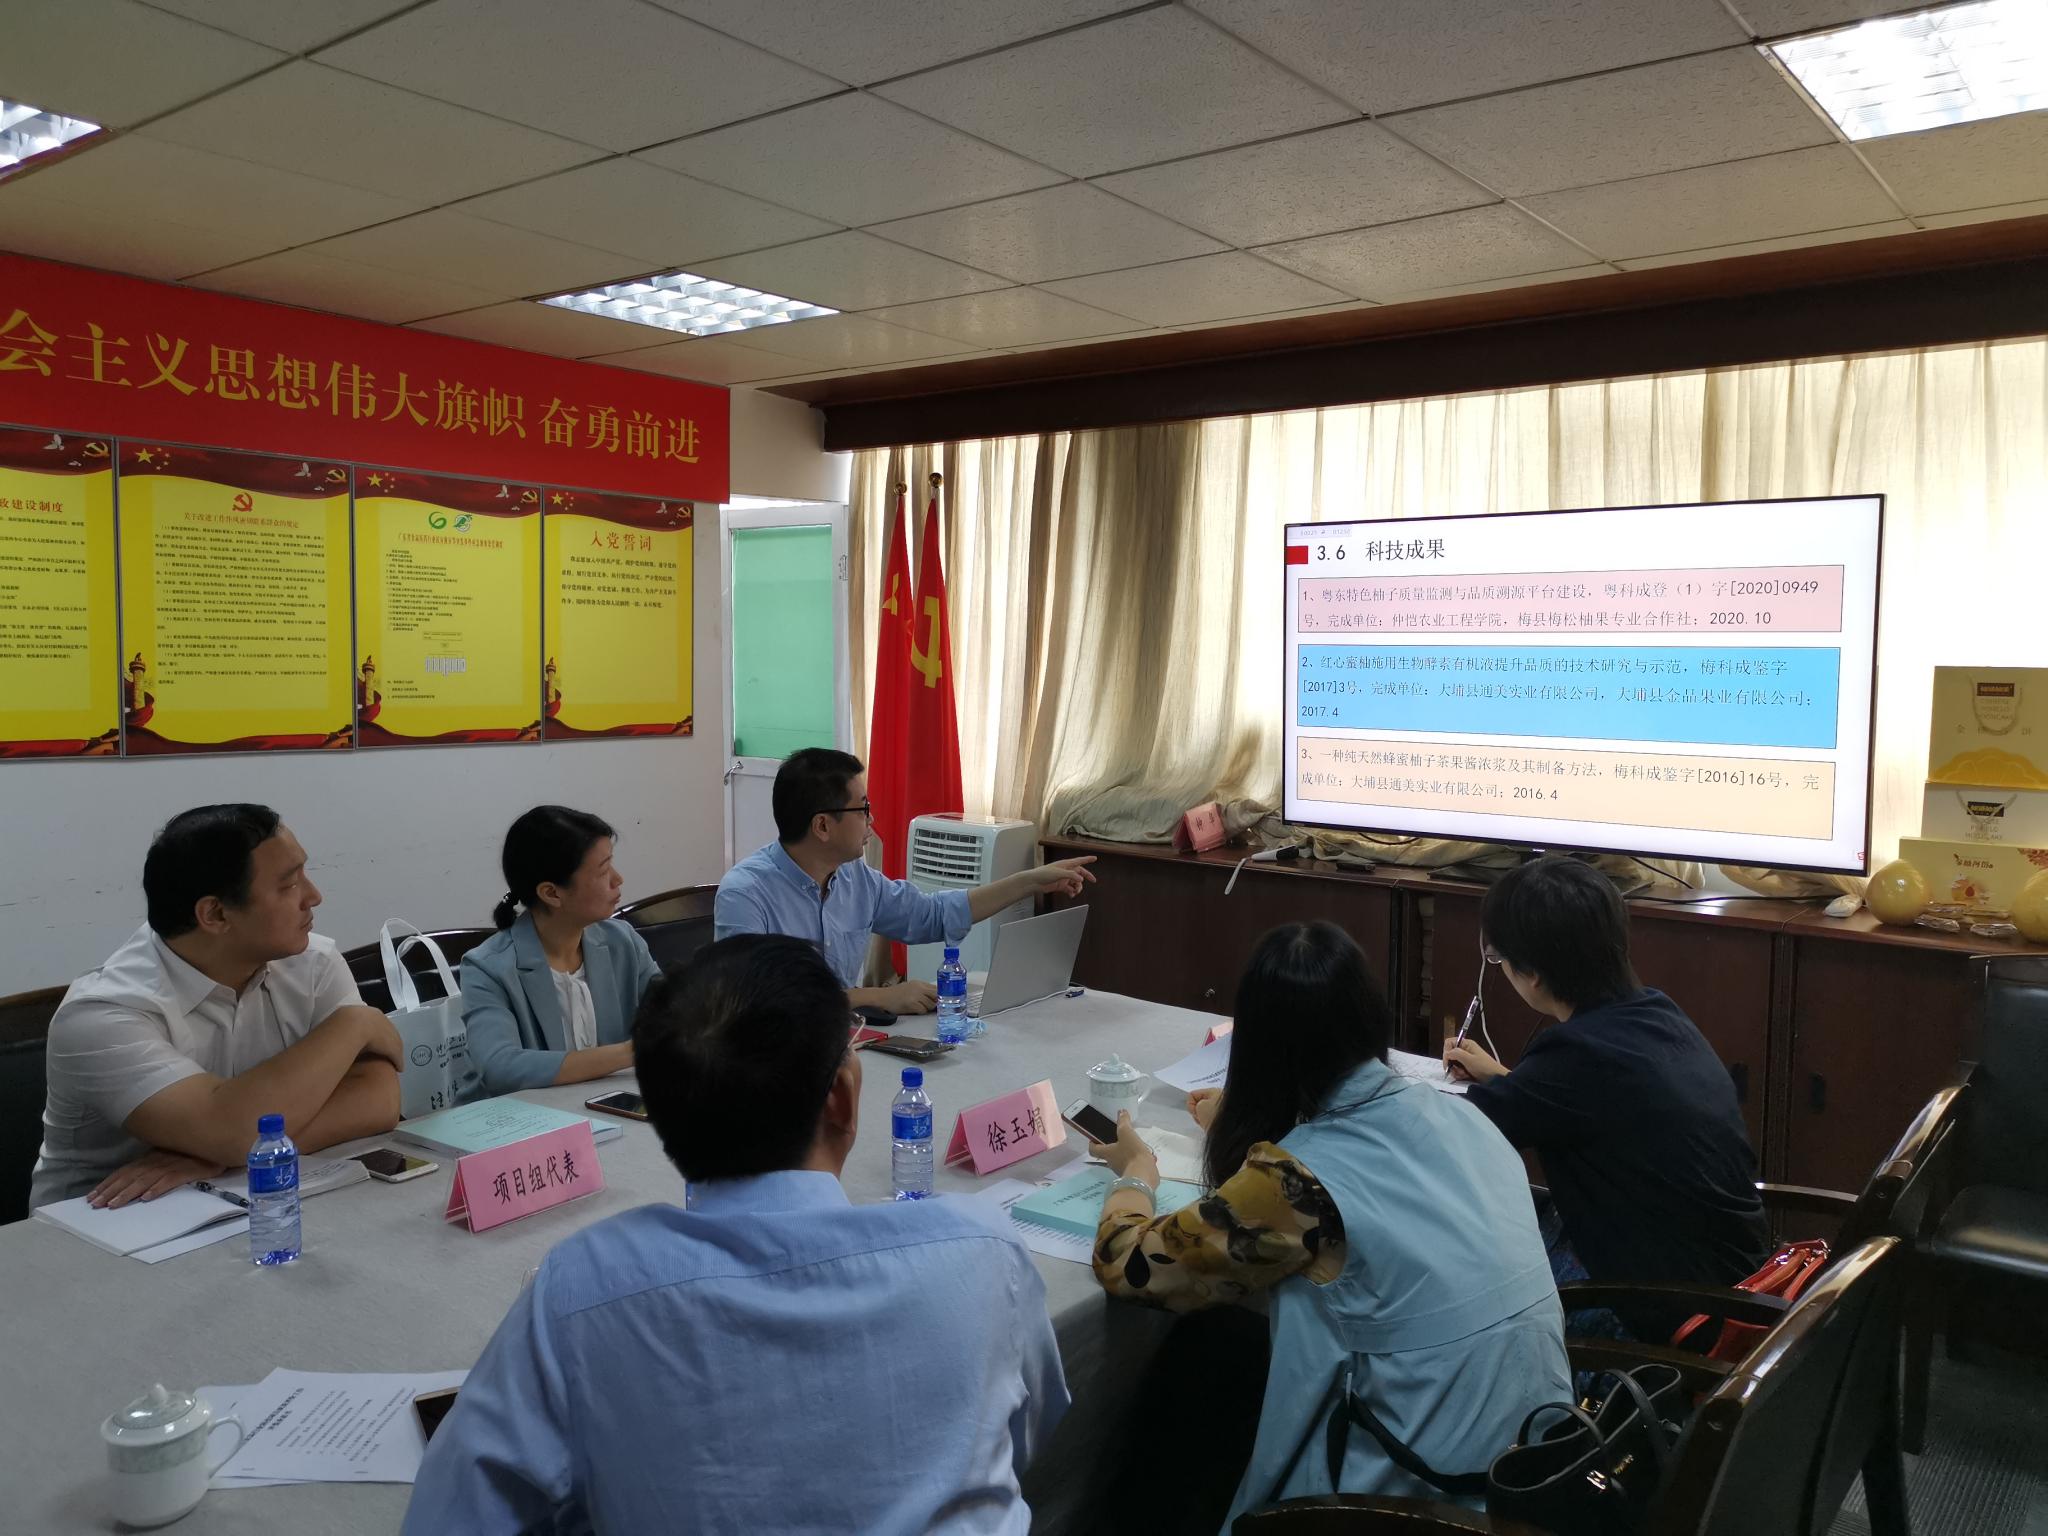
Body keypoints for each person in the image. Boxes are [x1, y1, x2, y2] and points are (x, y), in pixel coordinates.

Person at [405, 934, 1070, 1535]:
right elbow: (1025, 1439)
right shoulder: (982, 1251)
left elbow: (452, 1515)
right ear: (843, 1097)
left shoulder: (579, 1291)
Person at [1089, 922, 1569, 1529]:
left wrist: (1136, 1174)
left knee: (1200, 1358)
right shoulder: (1464, 1118)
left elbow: (1128, 1264)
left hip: (1422, 1493)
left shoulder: (1296, 1185)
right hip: (1540, 1461)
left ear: (1260, 1046)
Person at [1443, 854, 1771, 1335]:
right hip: (1732, 1276)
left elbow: (1451, 1136)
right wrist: (1501, 1077)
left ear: (1532, 973)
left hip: (1661, 1311)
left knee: (1462, 1262)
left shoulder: (1574, 1053)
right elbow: (1588, 1102)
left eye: (1499, 958)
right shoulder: (1654, 1012)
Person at [31, 805, 402, 1210]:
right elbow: (229, 1130)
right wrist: (356, 1023)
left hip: (245, 1198)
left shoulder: (311, 964)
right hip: (105, 1220)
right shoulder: (101, 1014)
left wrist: (225, 1155)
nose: (314, 896)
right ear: (215, 914)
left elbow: (379, 1100)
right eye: (289, 885)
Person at [714, 747, 1095, 1014]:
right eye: (863, 808)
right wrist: (877, 997)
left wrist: (1029, 882)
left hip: (848, 1041)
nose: (872, 820)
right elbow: (753, 1001)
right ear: (823, 826)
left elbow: (933, 914)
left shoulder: (854, 878)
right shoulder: (746, 894)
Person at [460, 806, 661, 1095]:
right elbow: (500, 1068)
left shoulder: (623, 942)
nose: (618, 879)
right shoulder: (488, 968)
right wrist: (634, 1051)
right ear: (552, 893)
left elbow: (674, 1011)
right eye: (603, 870)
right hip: (517, 1118)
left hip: (599, 1108)